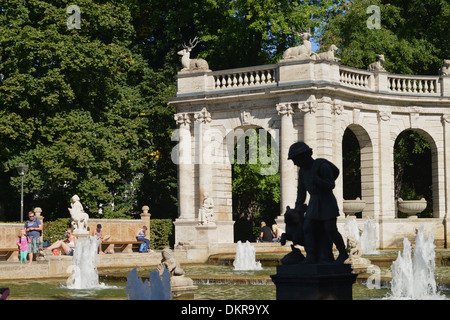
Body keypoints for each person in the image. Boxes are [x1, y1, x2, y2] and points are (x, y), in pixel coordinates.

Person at [288, 141, 348, 264]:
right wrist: (297, 208)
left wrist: (318, 180)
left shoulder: (322, 165)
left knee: (330, 228)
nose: (294, 163)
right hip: (314, 202)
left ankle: (343, 253)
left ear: (304, 156)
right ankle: (311, 256)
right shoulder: (302, 171)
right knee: (308, 227)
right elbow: (301, 192)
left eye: (295, 159)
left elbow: (330, 184)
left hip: (327, 202)